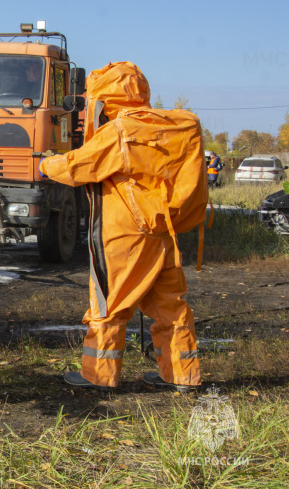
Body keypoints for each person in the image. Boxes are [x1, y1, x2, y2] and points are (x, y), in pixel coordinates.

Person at [39, 62, 202, 392]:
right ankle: (183, 375)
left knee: (109, 303)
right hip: (163, 228)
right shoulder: (172, 128)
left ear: (104, 97)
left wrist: (44, 165)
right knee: (170, 304)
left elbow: (79, 165)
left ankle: (99, 376)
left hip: (125, 232)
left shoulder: (119, 132)